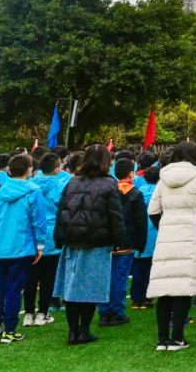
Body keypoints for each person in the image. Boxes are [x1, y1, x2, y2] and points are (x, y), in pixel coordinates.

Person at [147, 142, 196, 352]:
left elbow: (153, 210)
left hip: (168, 234)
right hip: (189, 234)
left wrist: (164, 228)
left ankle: (162, 339)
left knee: (165, 289)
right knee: (184, 288)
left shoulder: (163, 178)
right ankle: (177, 337)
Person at [53, 144, 125, 346]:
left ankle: (73, 331)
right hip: (97, 241)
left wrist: (59, 237)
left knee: (72, 288)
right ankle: (83, 330)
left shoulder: (72, 182)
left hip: (73, 240)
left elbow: (62, 211)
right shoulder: (109, 184)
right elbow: (116, 216)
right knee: (90, 288)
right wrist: (119, 240)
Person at [0, 153, 48, 344]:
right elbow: (39, 220)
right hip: (21, 247)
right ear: (29, 170)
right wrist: (40, 245)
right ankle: (10, 329)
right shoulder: (33, 191)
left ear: (9, 171)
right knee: (14, 288)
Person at [99, 158, 147, 326]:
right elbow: (141, 221)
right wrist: (141, 243)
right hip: (126, 242)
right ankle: (117, 311)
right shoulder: (135, 194)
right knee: (120, 279)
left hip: (107, 241)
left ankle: (104, 312)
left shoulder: (106, 192)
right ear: (131, 174)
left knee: (106, 277)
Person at [23, 153, 65, 327]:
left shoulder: (30, 185)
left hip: (31, 234)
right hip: (51, 234)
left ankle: (28, 312)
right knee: (48, 276)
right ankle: (42, 312)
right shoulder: (60, 186)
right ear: (56, 169)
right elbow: (63, 208)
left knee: (31, 276)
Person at [130, 165, 160, 310]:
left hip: (138, 235)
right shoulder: (159, 194)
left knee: (137, 269)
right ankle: (148, 298)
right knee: (151, 270)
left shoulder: (137, 192)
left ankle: (136, 299)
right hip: (154, 236)